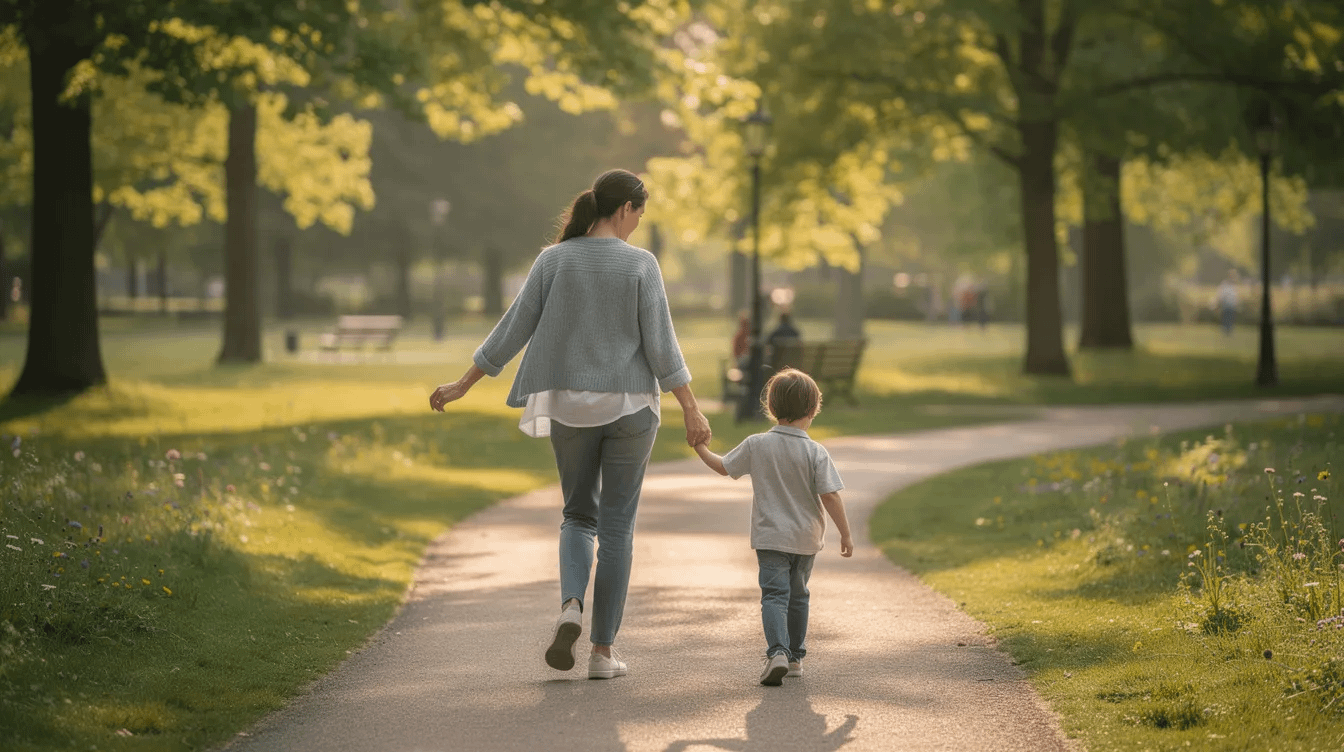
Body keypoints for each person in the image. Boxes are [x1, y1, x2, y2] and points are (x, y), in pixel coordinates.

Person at [429, 168, 712, 680]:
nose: (637, 226)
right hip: (630, 409)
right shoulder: (641, 266)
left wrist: (463, 384)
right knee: (618, 528)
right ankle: (603, 655)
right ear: (624, 208)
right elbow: (662, 345)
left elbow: (513, 328)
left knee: (578, 515)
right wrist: (691, 407)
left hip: (569, 408)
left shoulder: (553, 260)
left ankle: (570, 608)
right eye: (638, 215)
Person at [690, 367, 853, 686]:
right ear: (813, 409)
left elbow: (723, 467)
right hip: (805, 540)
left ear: (772, 407)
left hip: (770, 539)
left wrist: (700, 448)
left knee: (774, 596)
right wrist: (845, 533)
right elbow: (830, 495)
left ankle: (776, 652)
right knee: (799, 595)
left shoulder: (757, 444)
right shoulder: (815, 451)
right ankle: (794, 659)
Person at [1216, 270, 1239, 336]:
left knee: (1230, 317)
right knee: (1225, 316)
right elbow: (1221, 293)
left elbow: (1235, 295)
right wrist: (1221, 300)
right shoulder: (1224, 284)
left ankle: (1229, 330)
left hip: (1232, 304)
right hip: (1225, 303)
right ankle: (1225, 330)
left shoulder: (1233, 285)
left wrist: (1236, 302)